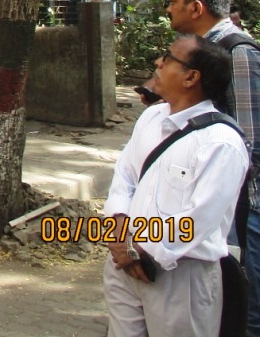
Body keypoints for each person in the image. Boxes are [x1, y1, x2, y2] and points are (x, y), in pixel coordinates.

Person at [102, 35, 249, 337]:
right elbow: (126, 176)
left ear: (191, 77)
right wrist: (119, 235)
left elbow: (198, 221)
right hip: (123, 264)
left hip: (180, 275)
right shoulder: (152, 117)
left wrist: (140, 250)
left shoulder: (221, 143)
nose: (158, 62)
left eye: (168, 58)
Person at [165, 0, 260, 331]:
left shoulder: (237, 52)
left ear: (196, 7)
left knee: (245, 302)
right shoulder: (205, 53)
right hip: (216, 200)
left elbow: (251, 142)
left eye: (173, 2)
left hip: (243, 205)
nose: (168, 11)